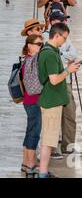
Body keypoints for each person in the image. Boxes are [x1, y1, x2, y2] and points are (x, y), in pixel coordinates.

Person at [37, 23, 80, 178]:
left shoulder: (54, 51)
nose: (65, 41)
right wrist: (69, 70)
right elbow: (54, 80)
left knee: (51, 138)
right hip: (51, 102)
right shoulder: (49, 53)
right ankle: (42, 172)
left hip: (55, 100)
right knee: (48, 140)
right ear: (57, 35)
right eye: (64, 38)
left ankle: (43, 170)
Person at [20, 34, 44, 177]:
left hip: (29, 101)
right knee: (34, 133)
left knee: (30, 131)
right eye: (38, 44)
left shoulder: (27, 59)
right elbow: (34, 87)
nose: (40, 46)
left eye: (42, 44)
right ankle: (30, 165)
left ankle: (26, 162)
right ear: (29, 45)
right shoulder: (32, 60)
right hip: (34, 101)